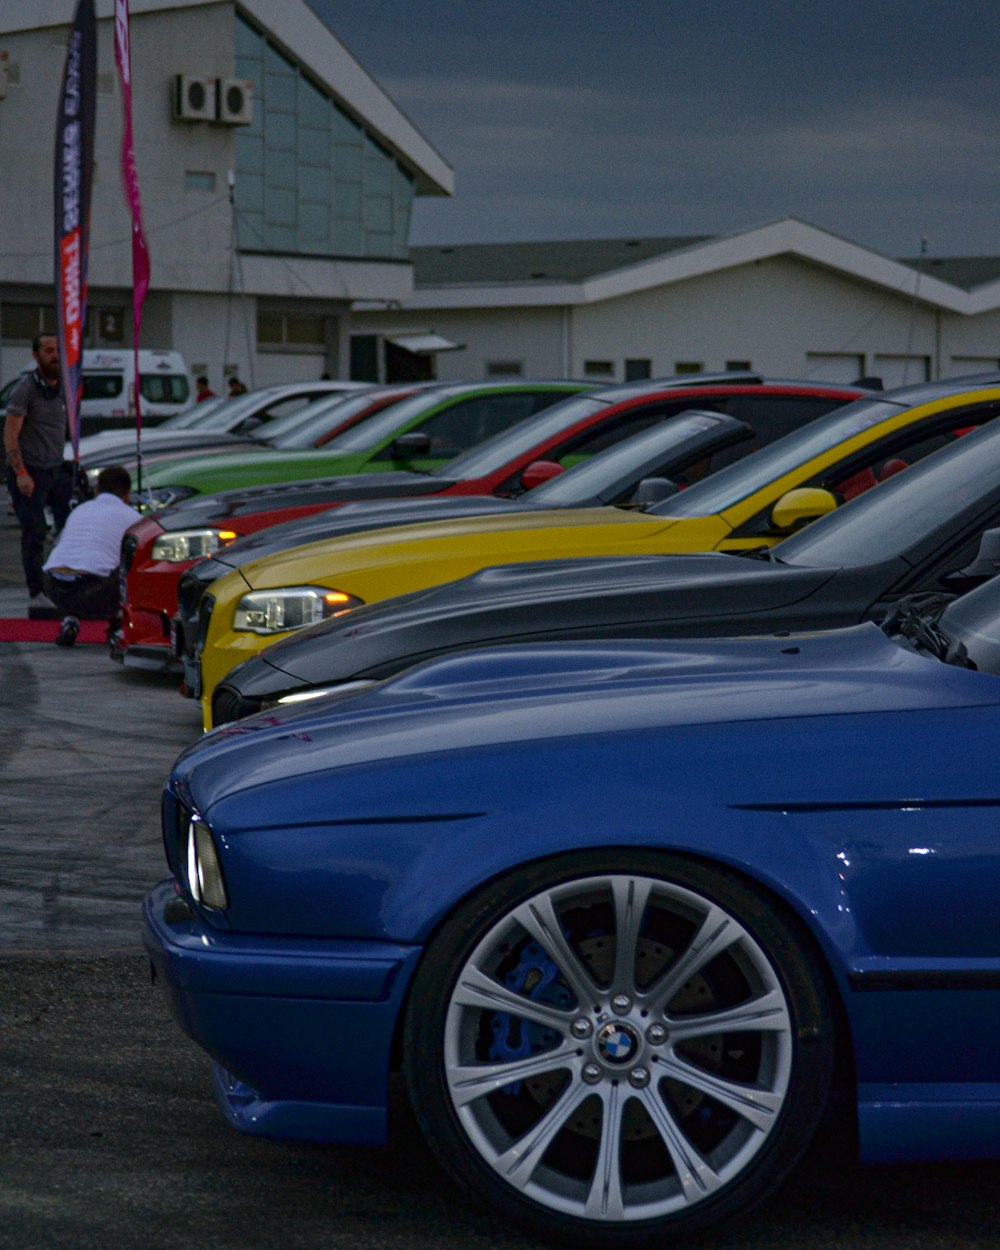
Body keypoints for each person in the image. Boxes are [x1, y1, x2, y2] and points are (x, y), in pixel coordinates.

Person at [3, 331, 74, 611]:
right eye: (48, 350)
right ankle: (36, 591)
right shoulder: (25, 391)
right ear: (36, 355)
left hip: (56, 467)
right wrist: (20, 473)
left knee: (68, 528)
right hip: (31, 471)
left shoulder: (64, 387)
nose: (54, 355)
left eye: (58, 349)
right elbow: (10, 437)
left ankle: (66, 585)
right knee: (34, 531)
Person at [41, 464, 141, 647]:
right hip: (95, 589)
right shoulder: (133, 518)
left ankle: (70, 621)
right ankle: (117, 626)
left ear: (96, 490)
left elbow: (60, 542)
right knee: (130, 566)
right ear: (127, 494)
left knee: (81, 563)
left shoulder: (79, 510)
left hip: (52, 583)